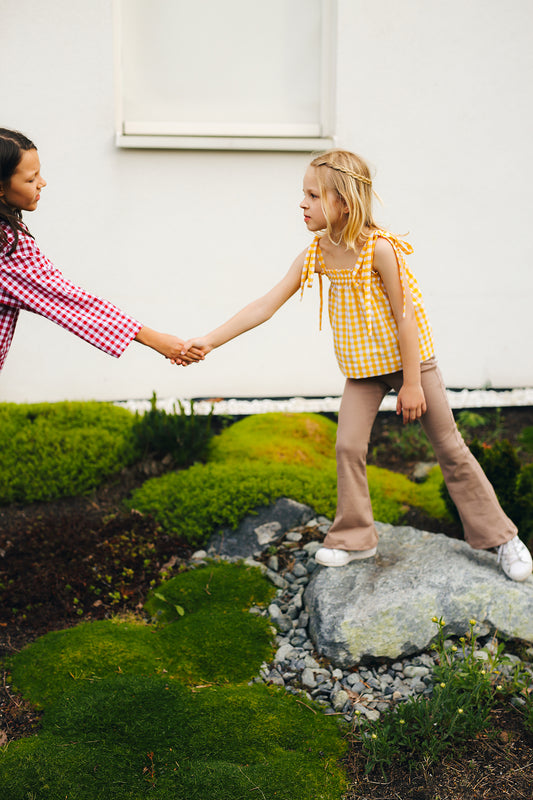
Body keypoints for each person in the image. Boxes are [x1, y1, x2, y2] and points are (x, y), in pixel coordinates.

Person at [180, 148, 532, 582]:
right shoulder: (318, 252)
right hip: (363, 370)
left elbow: (405, 319)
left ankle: (502, 538)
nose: (302, 204)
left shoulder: (379, 250)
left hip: (412, 363)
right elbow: (266, 304)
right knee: (347, 446)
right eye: (304, 194)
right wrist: (209, 341)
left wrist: (412, 384)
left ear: (343, 203)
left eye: (313, 196)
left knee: (449, 447)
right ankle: (355, 537)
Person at [0, 128, 202, 372]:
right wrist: (155, 339)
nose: (42, 183)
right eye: (31, 179)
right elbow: (70, 301)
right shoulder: (8, 246)